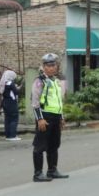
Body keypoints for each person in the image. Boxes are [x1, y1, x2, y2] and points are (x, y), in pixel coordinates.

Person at [31, 53, 68, 182]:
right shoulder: (39, 81)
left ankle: (52, 170)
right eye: (48, 65)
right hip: (44, 117)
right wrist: (40, 119)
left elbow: (59, 101)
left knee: (54, 144)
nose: (51, 68)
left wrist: (61, 117)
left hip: (56, 117)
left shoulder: (56, 81)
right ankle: (38, 173)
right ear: (43, 67)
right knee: (40, 146)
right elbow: (35, 102)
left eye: (53, 65)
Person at [0, 70, 22, 141]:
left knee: (7, 119)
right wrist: (19, 87)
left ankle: (8, 136)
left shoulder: (3, 83)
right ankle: (12, 136)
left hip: (5, 103)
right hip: (11, 103)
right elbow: (16, 92)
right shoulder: (11, 83)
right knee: (14, 118)